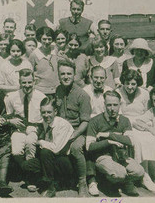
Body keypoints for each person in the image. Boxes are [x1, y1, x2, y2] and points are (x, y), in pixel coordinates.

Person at [86, 91, 144, 196]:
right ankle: (107, 182)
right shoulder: (95, 121)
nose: (112, 108)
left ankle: (125, 182)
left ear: (120, 105)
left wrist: (108, 135)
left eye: (115, 105)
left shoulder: (124, 120)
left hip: (121, 157)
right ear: (104, 105)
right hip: (103, 157)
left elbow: (130, 141)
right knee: (120, 173)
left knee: (139, 171)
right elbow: (89, 146)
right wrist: (108, 142)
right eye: (109, 105)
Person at [117, 69, 155, 193]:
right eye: (127, 83)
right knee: (139, 141)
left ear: (138, 84)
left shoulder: (144, 93)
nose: (130, 87)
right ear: (123, 82)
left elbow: (149, 112)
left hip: (142, 123)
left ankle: (154, 171)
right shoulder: (117, 93)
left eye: (133, 84)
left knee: (152, 139)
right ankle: (144, 176)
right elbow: (118, 115)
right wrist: (134, 124)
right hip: (125, 125)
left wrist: (146, 125)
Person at [21, 98, 75, 197]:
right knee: (26, 165)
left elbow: (55, 149)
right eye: (43, 112)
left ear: (55, 111)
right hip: (50, 160)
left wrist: (40, 142)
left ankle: (49, 185)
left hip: (65, 162)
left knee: (45, 152)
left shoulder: (63, 125)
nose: (46, 115)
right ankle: (54, 181)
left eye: (49, 112)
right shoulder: (46, 121)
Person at [4, 69, 47, 192]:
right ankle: (25, 169)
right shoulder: (12, 97)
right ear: (19, 82)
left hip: (35, 128)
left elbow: (46, 117)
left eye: (30, 82)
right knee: (16, 151)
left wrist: (40, 130)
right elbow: (8, 115)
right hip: (19, 128)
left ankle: (31, 177)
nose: (27, 85)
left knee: (30, 143)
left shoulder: (41, 97)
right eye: (24, 82)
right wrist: (11, 121)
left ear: (34, 81)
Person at [54, 59, 92, 196]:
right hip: (61, 131)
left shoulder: (82, 95)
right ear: (58, 75)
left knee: (75, 148)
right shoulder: (58, 90)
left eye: (69, 74)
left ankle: (82, 182)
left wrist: (73, 135)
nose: (66, 76)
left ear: (74, 74)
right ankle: (58, 180)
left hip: (78, 132)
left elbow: (85, 122)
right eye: (62, 74)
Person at [29, 27, 62, 96]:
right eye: (44, 39)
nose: (47, 42)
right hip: (40, 91)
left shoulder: (55, 50)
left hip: (56, 89)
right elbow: (30, 72)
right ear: (39, 39)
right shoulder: (34, 54)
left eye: (49, 39)